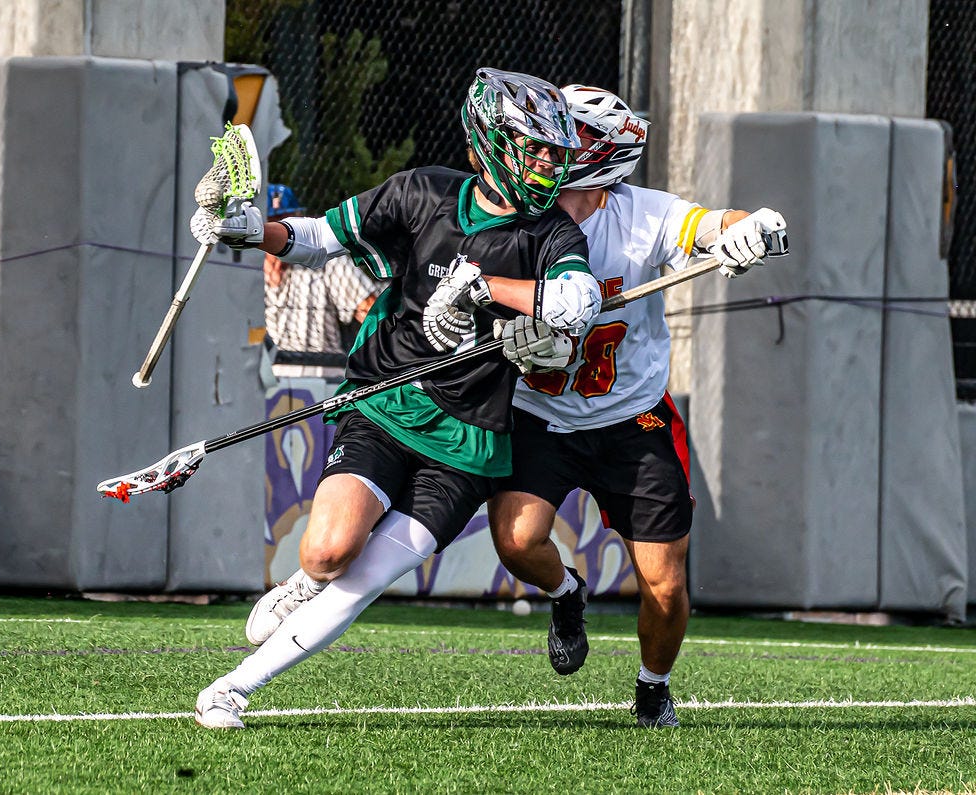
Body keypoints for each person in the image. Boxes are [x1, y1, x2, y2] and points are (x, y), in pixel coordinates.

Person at [189, 67, 603, 729]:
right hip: (386, 402)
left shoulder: (554, 234)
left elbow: (580, 300)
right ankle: (304, 582)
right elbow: (318, 238)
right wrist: (247, 229)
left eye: (557, 152)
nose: (551, 163)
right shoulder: (422, 193)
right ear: (489, 144)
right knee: (326, 552)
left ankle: (230, 690)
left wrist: (485, 287)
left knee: (365, 577)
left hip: (468, 443)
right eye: (537, 148)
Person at [488, 84, 787, 728]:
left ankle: (654, 688)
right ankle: (567, 593)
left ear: (604, 152)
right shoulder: (514, 206)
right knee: (517, 543)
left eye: (568, 136)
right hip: (540, 414)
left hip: (632, 418)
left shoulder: (641, 214)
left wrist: (746, 228)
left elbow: (708, 224)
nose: (548, 148)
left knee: (666, 585)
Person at [262, 183, 379, 380]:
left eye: (286, 220)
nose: (280, 229)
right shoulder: (248, 271)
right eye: (272, 221)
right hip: (268, 377)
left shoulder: (326, 260)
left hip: (323, 371)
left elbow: (371, 310)